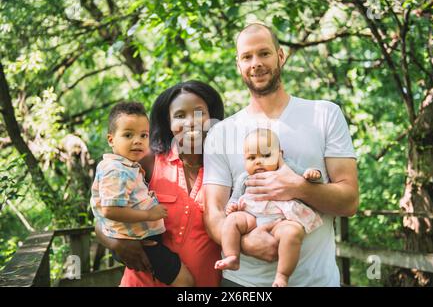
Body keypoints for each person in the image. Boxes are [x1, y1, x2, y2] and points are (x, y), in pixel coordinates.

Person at [203, 23, 359, 286]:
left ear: (281, 55)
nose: (256, 63)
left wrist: (298, 188)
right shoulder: (221, 132)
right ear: (238, 64)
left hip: (315, 281)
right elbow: (213, 212)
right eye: (247, 57)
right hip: (242, 284)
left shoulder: (324, 115)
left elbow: (349, 202)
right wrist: (245, 242)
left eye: (264, 53)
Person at [94, 80, 225, 287]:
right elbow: (102, 215)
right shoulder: (147, 161)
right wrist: (117, 244)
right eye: (180, 115)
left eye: (199, 113)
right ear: (169, 122)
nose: (191, 122)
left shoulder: (226, 167)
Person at [90, 101, 194, 286]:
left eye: (143, 135)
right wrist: (149, 214)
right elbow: (109, 211)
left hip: (141, 238)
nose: (137, 140)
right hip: (138, 241)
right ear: (111, 139)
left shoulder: (129, 167)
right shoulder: (116, 170)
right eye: (128, 135)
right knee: (185, 282)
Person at [214, 128, 324, 287]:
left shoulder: (288, 167)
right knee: (231, 220)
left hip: (282, 217)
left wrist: (312, 174)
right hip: (252, 216)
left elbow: (307, 178)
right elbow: (235, 198)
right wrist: (232, 207)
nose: (258, 161)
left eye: (266, 155)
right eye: (251, 158)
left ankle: (282, 275)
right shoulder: (245, 178)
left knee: (292, 233)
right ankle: (232, 256)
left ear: (280, 154)